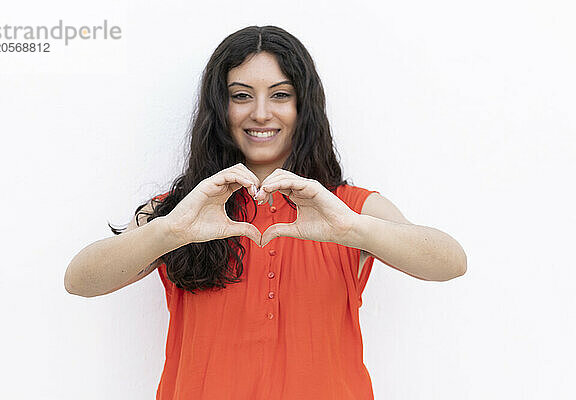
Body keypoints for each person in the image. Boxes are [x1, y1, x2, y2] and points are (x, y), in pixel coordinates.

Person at [64, 25, 467, 399]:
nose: (260, 113)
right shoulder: (181, 211)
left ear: (303, 105)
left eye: (280, 94)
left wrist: (354, 230)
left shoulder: (349, 207)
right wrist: (169, 231)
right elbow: (80, 280)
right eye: (241, 95)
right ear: (220, 107)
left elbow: (451, 262)